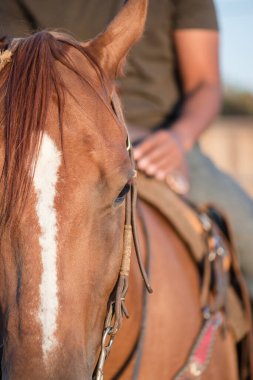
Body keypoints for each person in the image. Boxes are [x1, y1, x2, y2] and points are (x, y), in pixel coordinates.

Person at [1, 0, 253, 297]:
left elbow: (205, 84)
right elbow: (15, 71)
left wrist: (178, 139)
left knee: (245, 230)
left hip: (163, 139)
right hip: (64, 142)